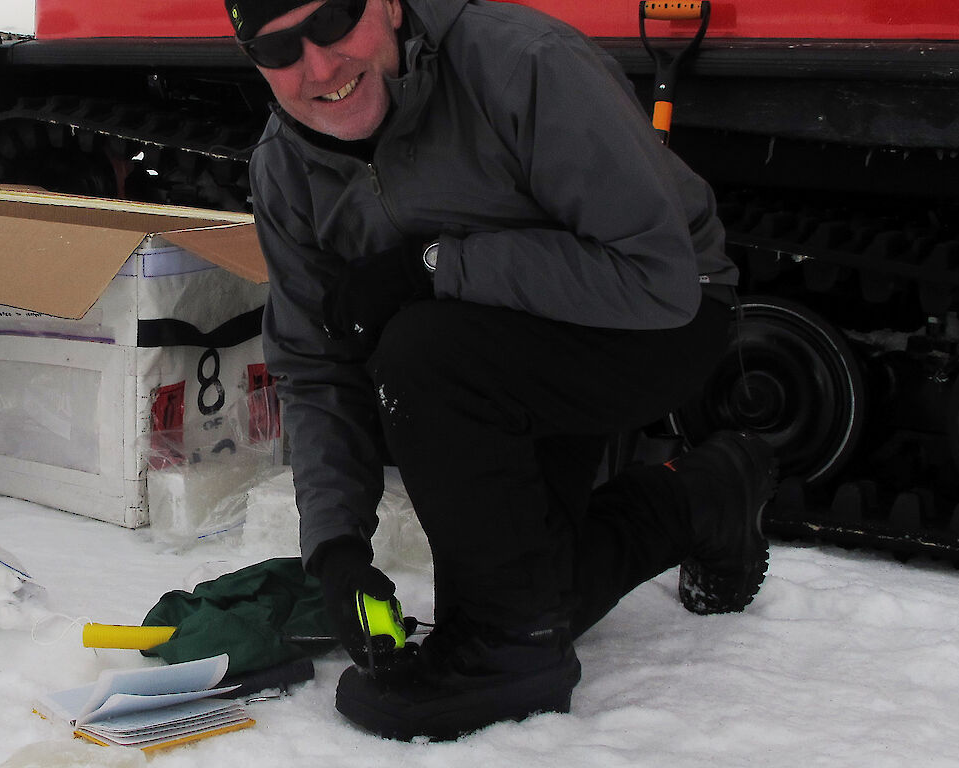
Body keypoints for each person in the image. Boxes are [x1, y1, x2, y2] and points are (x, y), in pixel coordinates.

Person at [224, 0, 779, 740]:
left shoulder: (523, 63)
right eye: (280, 49)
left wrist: (435, 265)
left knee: (419, 351)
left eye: (332, 21)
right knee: (527, 594)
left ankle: (513, 656)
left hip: (655, 320)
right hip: (495, 354)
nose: (320, 68)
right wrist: (337, 551)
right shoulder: (286, 167)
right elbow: (315, 366)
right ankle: (707, 496)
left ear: (387, 4)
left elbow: (655, 277)